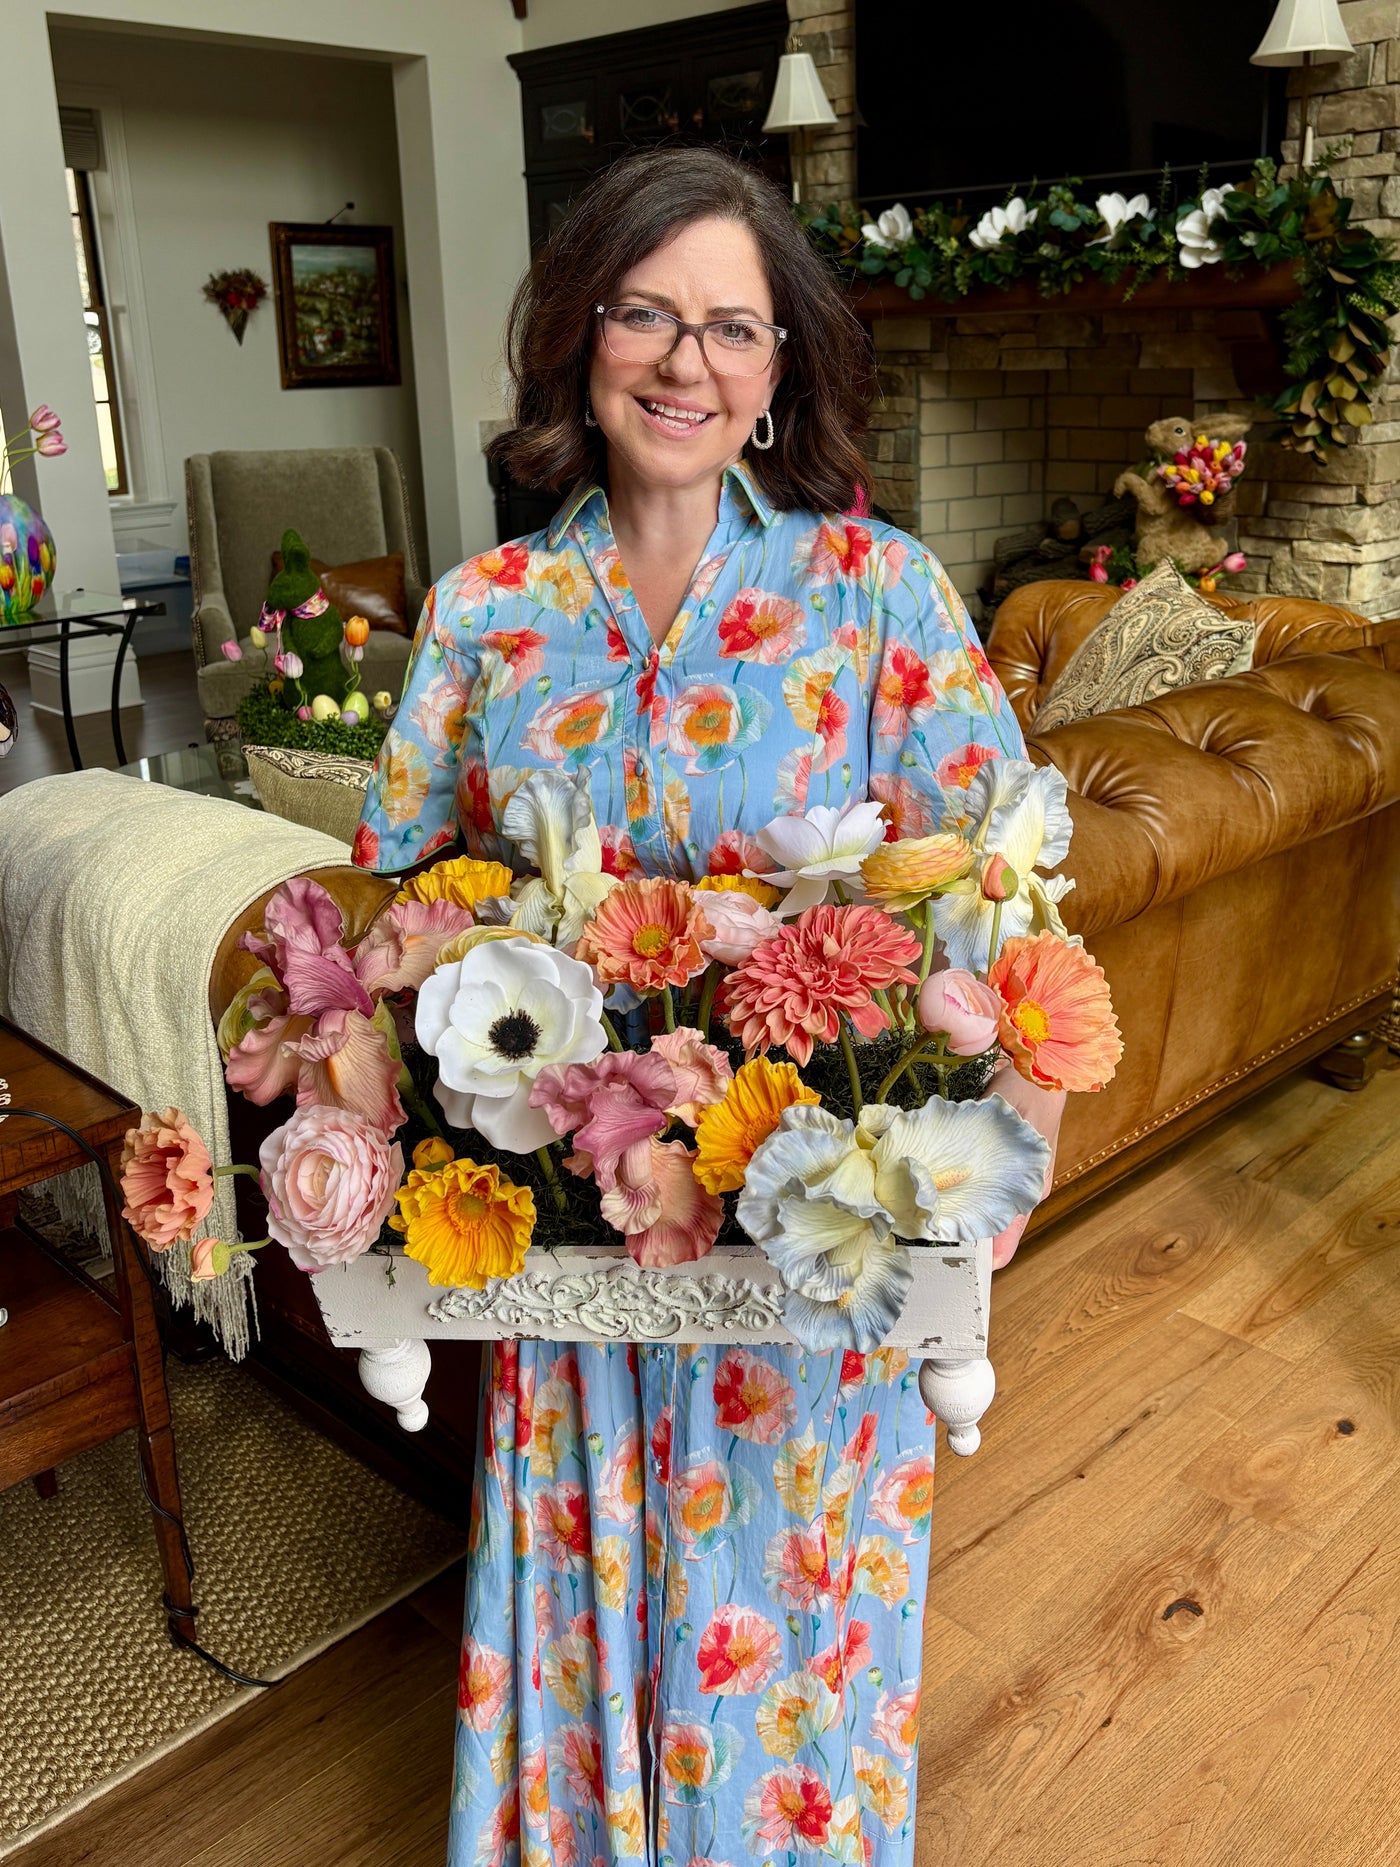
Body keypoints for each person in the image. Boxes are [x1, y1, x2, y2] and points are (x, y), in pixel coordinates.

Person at [355, 145, 1060, 1867]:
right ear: (578, 339)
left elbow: (1014, 903)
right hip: (569, 1260)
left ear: (781, 363)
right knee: (581, 1610)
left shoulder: (879, 592)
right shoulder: (485, 618)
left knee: (792, 1643)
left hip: (812, 1251)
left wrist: (1001, 1181)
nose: (687, 363)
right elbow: (389, 917)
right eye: (644, 315)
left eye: (732, 327)